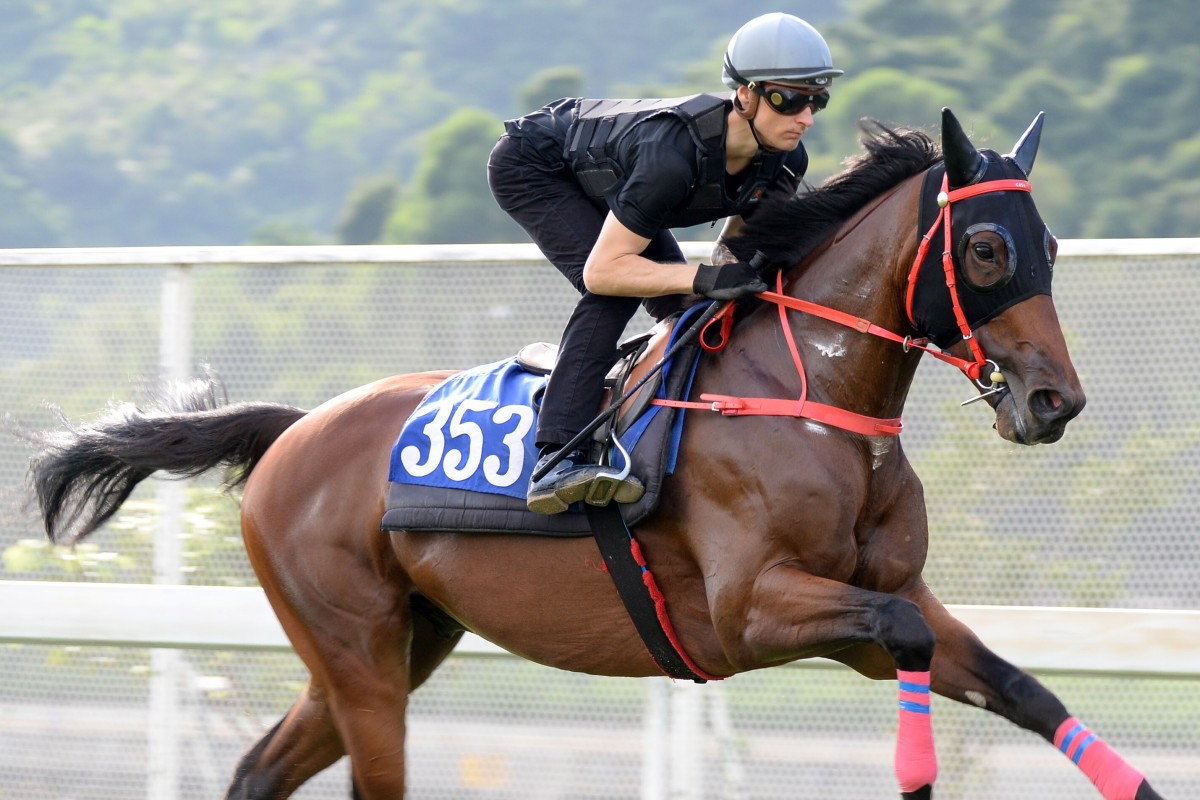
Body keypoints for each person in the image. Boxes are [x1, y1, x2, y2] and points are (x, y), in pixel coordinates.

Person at [487, 12, 842, 515]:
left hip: (613, 179)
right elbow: (603, 271)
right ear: (745, 95)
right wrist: (705, 276)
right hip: (535, 166)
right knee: (616, 290)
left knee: (686, 309)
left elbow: (735, 254)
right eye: (790, 100)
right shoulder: (671, 159)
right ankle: (557, 458)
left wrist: (721, 281)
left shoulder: (785, 159)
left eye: (817, 100)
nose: (806, 118)